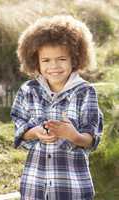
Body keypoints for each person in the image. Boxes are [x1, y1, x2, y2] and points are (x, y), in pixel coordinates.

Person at [10, 15, 103, 200]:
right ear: (35, 61)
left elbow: (91, 139)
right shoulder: (28, 90)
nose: (54, 66)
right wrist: (34, 132)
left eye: (61, 59)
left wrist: (73, 135)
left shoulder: (85, 92)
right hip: (34, 186)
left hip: (72, 187)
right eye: (46, 60)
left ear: (75, 59)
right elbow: (19, 129)